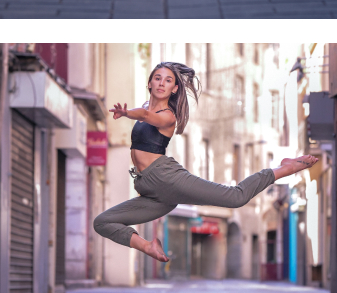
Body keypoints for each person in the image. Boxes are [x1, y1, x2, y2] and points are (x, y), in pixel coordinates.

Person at [93, 61, 317, 261]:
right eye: (158, 78)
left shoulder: (168, 115)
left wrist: (127, 114)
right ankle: (148, 247)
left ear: (175, 89)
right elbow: (143, 111)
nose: (162, 83)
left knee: (236, 197)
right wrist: (131, 112)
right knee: (102, 222)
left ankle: (282, 168)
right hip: (149, 188)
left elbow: (147, 117)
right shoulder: (143, 106)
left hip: (165, 178)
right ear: (150, 82)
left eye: (168, 80)